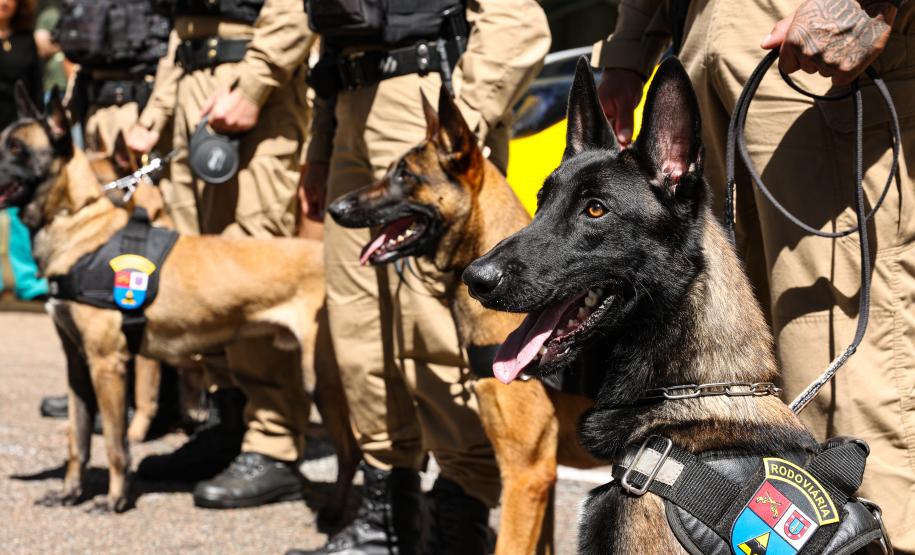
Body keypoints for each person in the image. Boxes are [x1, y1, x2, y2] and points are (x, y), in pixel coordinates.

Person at [594, 0, 915, 552]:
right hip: (699, 41)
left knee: (845, 388)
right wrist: (629, 47)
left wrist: (868, 6)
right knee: (749, 422)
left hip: (811, 43)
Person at [290, 1, 550, 553]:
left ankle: (460, 508)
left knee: (432, 330)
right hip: (348, 100)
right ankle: (389, 510)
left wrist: (458, 132)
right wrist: (320, 146)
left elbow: (518, 20)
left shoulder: (448, 140)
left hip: (428, 99)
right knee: (358, 323)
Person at [124, 0, 315, 509]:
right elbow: (181, 26)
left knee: (254, 275)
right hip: (190, 80)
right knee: (198, 279)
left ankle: (273, 443)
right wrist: (157, 111)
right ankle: (228, 423)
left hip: (252, 80)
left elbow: (294, 7)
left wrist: (253, 85)